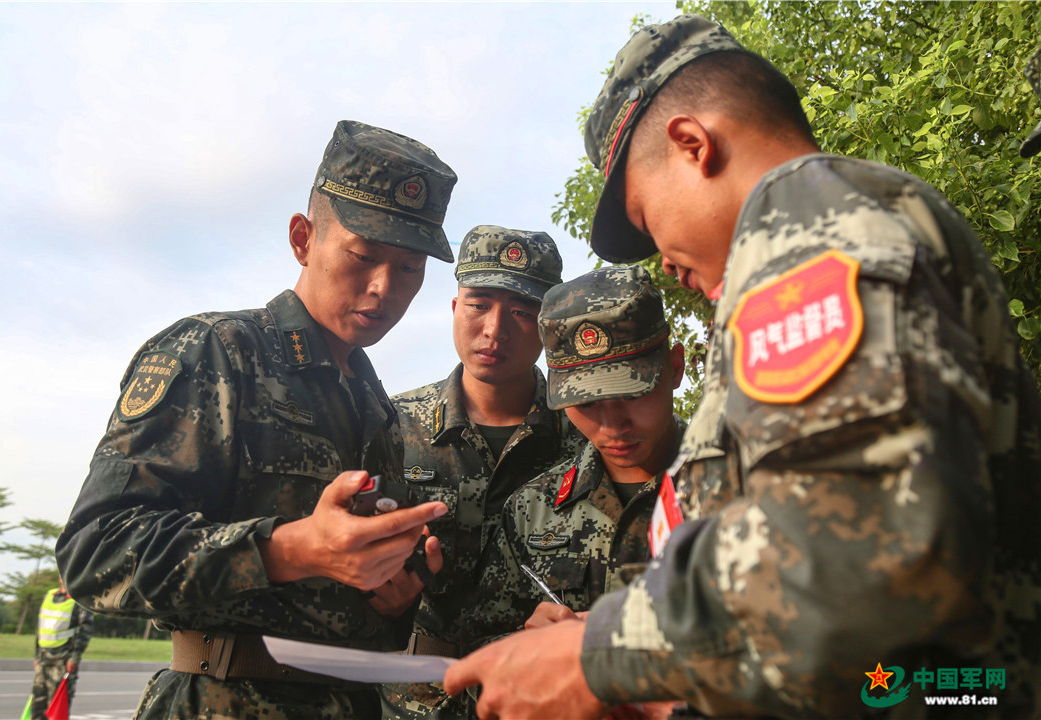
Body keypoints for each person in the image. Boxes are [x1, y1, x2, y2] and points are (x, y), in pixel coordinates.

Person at [445, 15, 1041, 719]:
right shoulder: (835, 225)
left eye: (644, 214)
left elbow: (862, 570)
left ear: (693, 144)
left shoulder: (806, 229)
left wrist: (604, 656)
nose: (662, 258)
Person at [56, 120, 458, 719]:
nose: (382, 288)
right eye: (363, 255)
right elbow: (94, 554)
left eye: (409, 270)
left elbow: (340, 607)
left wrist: (387, 597)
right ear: (303, 238)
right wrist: (290, 548)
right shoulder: (216, 352)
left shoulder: (377, 405)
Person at [381, 226, 585, 719]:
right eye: (479, 305)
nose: (496, 330)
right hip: (412, 700)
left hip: (537, 699)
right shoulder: (391, 425)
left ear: (547, 324)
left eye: (521, 312)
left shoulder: (585, 434)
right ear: (455, 309)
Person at [466, 265, 686, 720]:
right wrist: (531, 651)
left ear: (676, 367)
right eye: (585, 403)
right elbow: (481, 648)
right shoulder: (533, 510)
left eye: (631, 394)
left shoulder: (740, 489)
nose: (611, 426)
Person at [29, 575, 94, 720]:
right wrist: (37, 655)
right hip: (43, 660)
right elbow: (40, 629)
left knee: (57, 708)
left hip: (63, 661)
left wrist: (74, 658)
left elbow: (85, 631)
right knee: (37, 705)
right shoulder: (49, 596)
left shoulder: (79, 600)